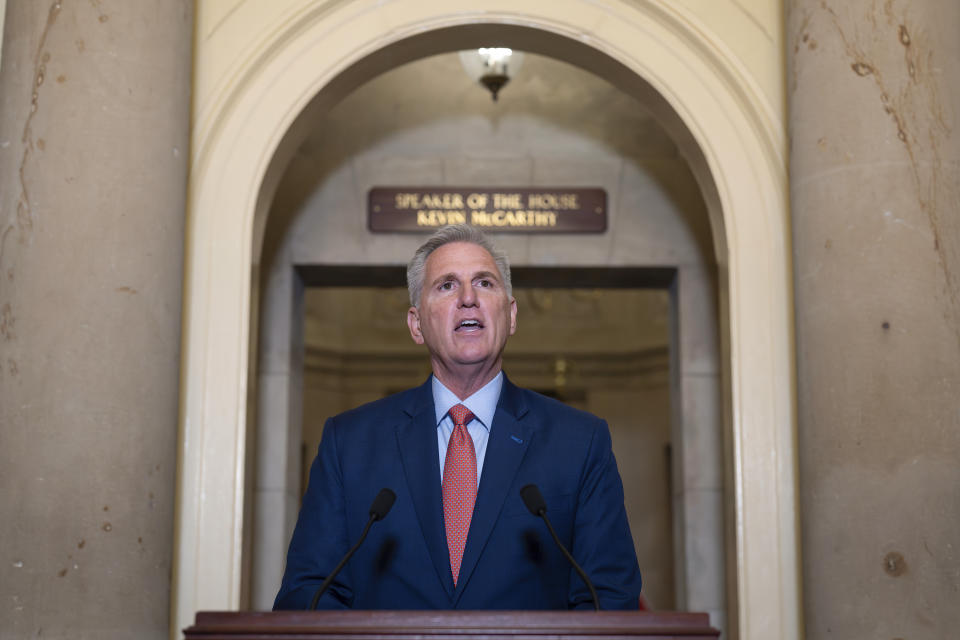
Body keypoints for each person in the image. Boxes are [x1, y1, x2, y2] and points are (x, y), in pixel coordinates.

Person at [274, 224, 642, 610]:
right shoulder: (348, 442)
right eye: (447, 285)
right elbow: (307, 596)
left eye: (484, 283)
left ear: (511, 315)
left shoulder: (580, 442)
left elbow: (609, 600)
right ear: (416, 325)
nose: (468, 298)